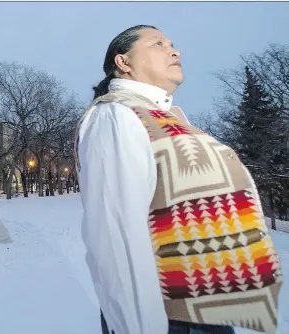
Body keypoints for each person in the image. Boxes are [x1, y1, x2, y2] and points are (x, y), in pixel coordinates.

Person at [74, 25, 283, 334]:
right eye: (158, 44)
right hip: (169, 318)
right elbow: (117, 237)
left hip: (207, 309)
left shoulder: (171, 118)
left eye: (172, 44)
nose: (175, 51)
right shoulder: (116, 116)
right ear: (124, 62)